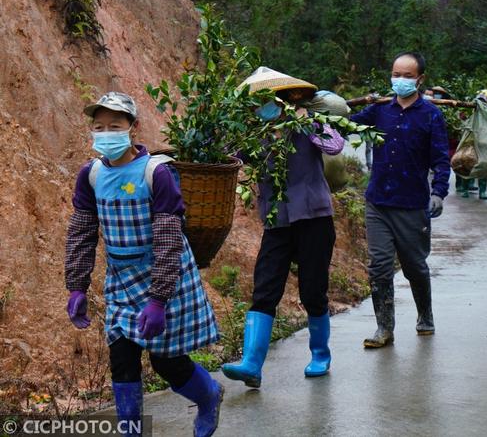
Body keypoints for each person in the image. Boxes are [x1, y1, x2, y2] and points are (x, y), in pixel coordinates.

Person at [65, 92, 222, 436]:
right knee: (122, 359)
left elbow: (168, 240)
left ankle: (209, 395)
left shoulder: (157, 173)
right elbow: (81, 232)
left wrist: (158, 300)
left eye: (115, 126)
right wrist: (76, 285)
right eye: (99, 126)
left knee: (166, 362)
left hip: (164, 276)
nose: (106, 133)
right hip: (121, 281)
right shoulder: (90, 175)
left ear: (133, 128)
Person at [222, 67, 344, 387]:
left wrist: (305, 121)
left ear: (282, 100)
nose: (264, 106)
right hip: (277, 222)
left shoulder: (306, 125)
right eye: (257, 102)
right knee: (265, 288)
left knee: (312, 290)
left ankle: (320, 354)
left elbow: (334, 146)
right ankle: (252, 363)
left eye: (269, 100)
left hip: (314, 219)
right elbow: (225, 156)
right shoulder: (254, 136)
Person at [350, 52, 450, 347]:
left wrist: (439, 193)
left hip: (412, 204)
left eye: (407, 76)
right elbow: (347, 124)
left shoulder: (431, 115)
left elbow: (441, 160)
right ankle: (384, 328)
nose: (401, 80)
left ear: (420, 79)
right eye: (396, 74)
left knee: (414, 265)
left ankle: (425, 314)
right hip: (378, 201)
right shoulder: (380, 111)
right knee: (379, 265)